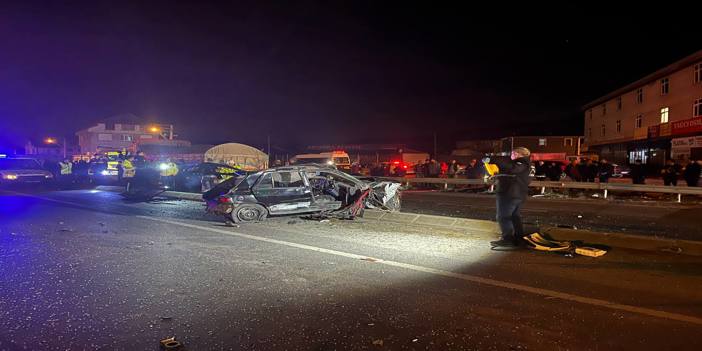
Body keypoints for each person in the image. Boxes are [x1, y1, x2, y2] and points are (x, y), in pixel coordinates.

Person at [485, 147, 532, 248]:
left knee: (503, 216)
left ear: (518, 154)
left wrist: (492, 160)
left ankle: (507, 239)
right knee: (515, 216)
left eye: (513, 153)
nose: (511, 155)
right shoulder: (527, 164)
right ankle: (519, 238)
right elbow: (512, 174)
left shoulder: (521, 163)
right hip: (518, 194)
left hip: (509, 194)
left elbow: (512, 169)